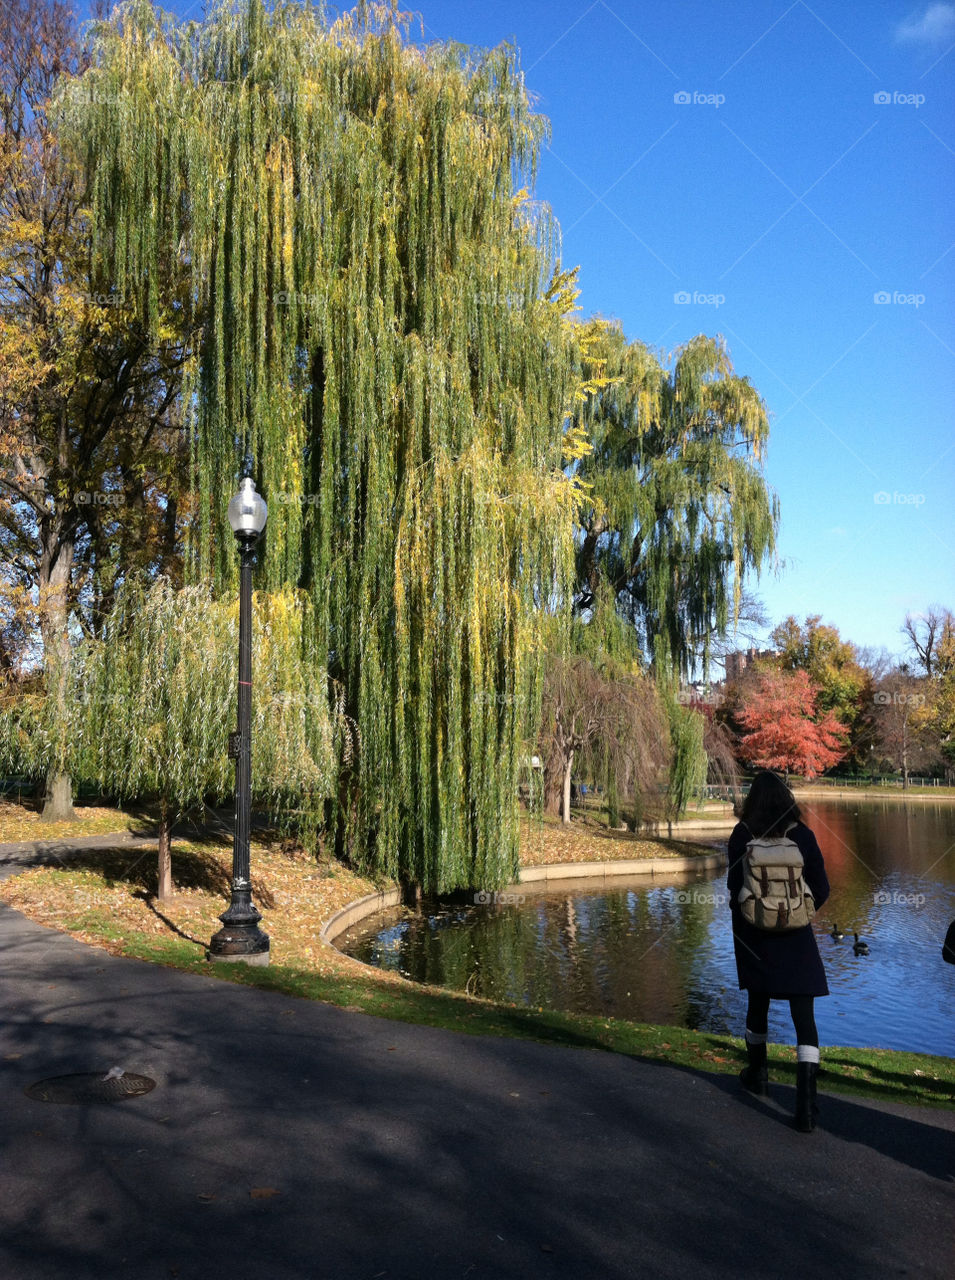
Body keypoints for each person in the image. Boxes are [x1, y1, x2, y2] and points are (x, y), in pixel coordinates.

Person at [726, 771, 830, 1133]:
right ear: (786, 799)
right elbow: (821, 887)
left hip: (756, 938)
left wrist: (755, 920)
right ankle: (805, 1108)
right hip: (797, 938)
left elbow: (734, 888)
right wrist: (797, 913)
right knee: (805, 1019)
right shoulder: (802, 835)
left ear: (752, 800)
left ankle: (758, 1074)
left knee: (758, 1006)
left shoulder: (742, 835)